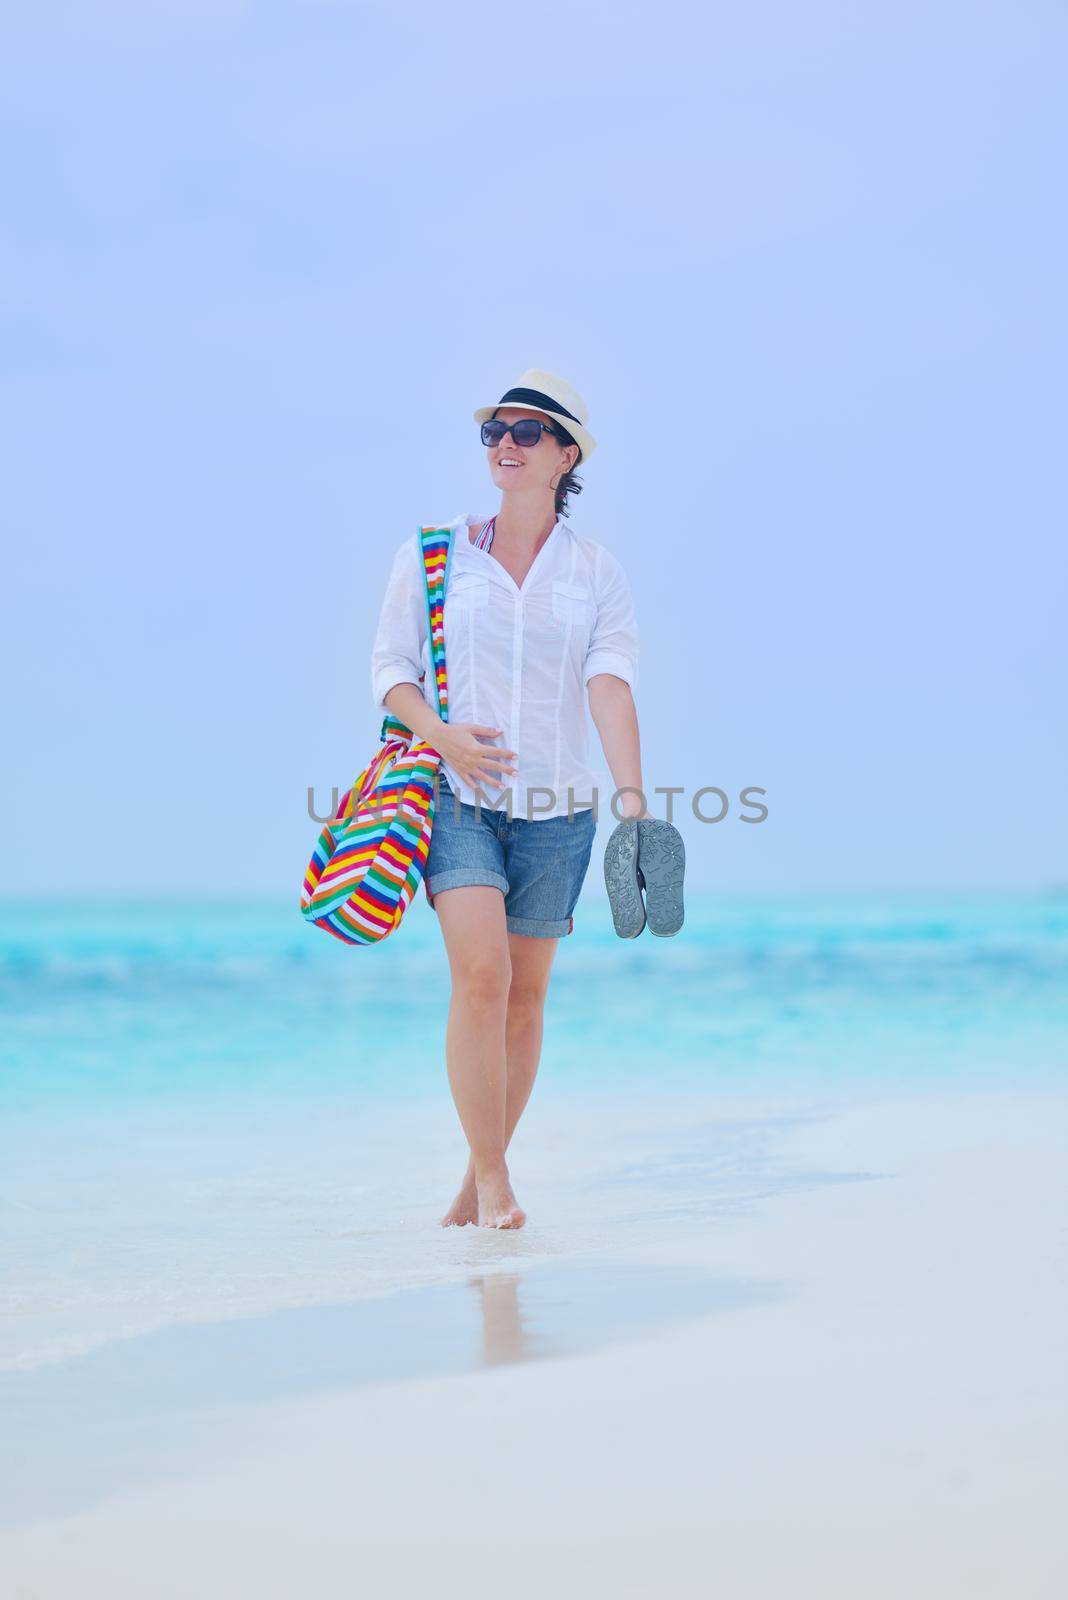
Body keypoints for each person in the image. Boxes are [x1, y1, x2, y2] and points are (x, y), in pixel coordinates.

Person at [370, 368, 648, 1230]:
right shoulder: (435, 553)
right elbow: (392, 673)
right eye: (495, 430)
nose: (506, 444)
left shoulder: (596, 574)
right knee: (481, 976)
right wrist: (444, 736)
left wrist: (634, 802)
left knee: (526, 998)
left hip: (560, 810)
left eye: (529, 432)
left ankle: (475, 1181)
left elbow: (609, 684)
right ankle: (496, 1185)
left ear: (567, 455)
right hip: (456, 794)